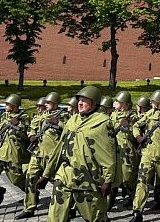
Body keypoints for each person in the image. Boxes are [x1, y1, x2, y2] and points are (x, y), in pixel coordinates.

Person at [37, 86, 116, 221]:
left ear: (94, 103)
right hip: (65, 174)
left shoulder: (102, 122)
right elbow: (59, 147)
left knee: (95, 217)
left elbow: (109, 153)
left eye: (85, 100)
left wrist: (108, 181)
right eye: (79, 100)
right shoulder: (72, 120)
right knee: (55, 216)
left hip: (88, 178)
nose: (80, 103)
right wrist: (46, 174)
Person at [130, 91, 160, 222]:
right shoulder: (149, 114)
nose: (151, 103)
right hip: (148, 154)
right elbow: (136, 125)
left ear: (159, 103)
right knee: (142, 182)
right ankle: (137, 211)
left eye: (153, 101)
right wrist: (138, 137)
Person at [17, 92, 68, 219]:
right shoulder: (41, 116)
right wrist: (32, 135)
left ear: (55, 104)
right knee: (30, 177)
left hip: (53, 156)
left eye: (48, 103)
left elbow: (70, 130)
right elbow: (32, 127)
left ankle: (68, 206)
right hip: (38, 153)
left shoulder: (64, 116)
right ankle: (29, 207)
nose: (45, 105)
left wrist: (59, 124)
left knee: (59, 182)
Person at [110, 91, 139, 209]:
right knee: (111, 179)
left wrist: (127, 127)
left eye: (117, 101)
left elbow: (135, 136)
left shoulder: (132, 116)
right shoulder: (113, 114)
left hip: (127, 152)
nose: (114, 103)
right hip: (114, 150)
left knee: (128, 179)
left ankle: (135, 201)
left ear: (123, 104)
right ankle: (108, 204)